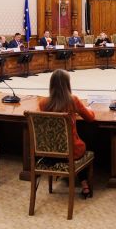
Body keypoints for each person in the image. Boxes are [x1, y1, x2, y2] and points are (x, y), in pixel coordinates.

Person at [38, 69, 95, 198]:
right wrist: (88, 109)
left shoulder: (43, 103)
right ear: (67, 84)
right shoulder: (73, 100)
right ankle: (85, 185)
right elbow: (90, 118)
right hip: (72, 152)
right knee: (81, 143)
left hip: (51, 152)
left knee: (70, 143)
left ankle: (82, 182)